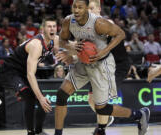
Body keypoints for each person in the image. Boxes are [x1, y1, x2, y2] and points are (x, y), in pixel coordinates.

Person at [54, 0, 150, 135]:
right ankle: (60, 133)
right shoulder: (72, 21)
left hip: (113, 64)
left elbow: (115, 37)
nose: (77, 10)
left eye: (89, 8)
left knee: (101, 106)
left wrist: (101, 52)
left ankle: (136, 115)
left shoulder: (102, 23)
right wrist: (72, 50)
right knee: (62, 94)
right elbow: (85, 48)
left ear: (97, 9)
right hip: (88, 62)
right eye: (74, 7)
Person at [0, 17, 59, 135]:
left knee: (44, 102)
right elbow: (30, 74)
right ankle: (31, 132)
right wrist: (40, 97)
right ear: (42, 30)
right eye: (49, 26)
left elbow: (62, 49)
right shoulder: (36, 45)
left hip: (22, 71)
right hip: (10, 71)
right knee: (31, 97)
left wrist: (72, 53)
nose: (52, 29)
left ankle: (38, 131)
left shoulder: (55, 40)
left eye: (54, 26)